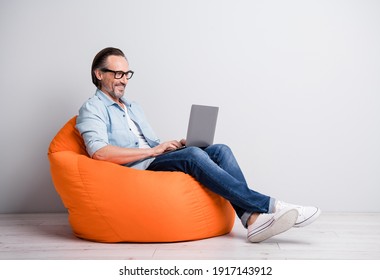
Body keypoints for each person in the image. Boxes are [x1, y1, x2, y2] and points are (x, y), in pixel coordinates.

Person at [76, 47, 321, 243]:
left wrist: (172, 145)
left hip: (154, 156)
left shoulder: (132, 107)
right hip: (137, 167)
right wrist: (154, 151)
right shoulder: (92, 108)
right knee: (193, 155)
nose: (124, 80)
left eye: (127, 74)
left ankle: (252, 220)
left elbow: (148, 142)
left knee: (219, 150)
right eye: (118, 74)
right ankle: (273, 205)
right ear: (99, 74)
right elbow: (99, 153)